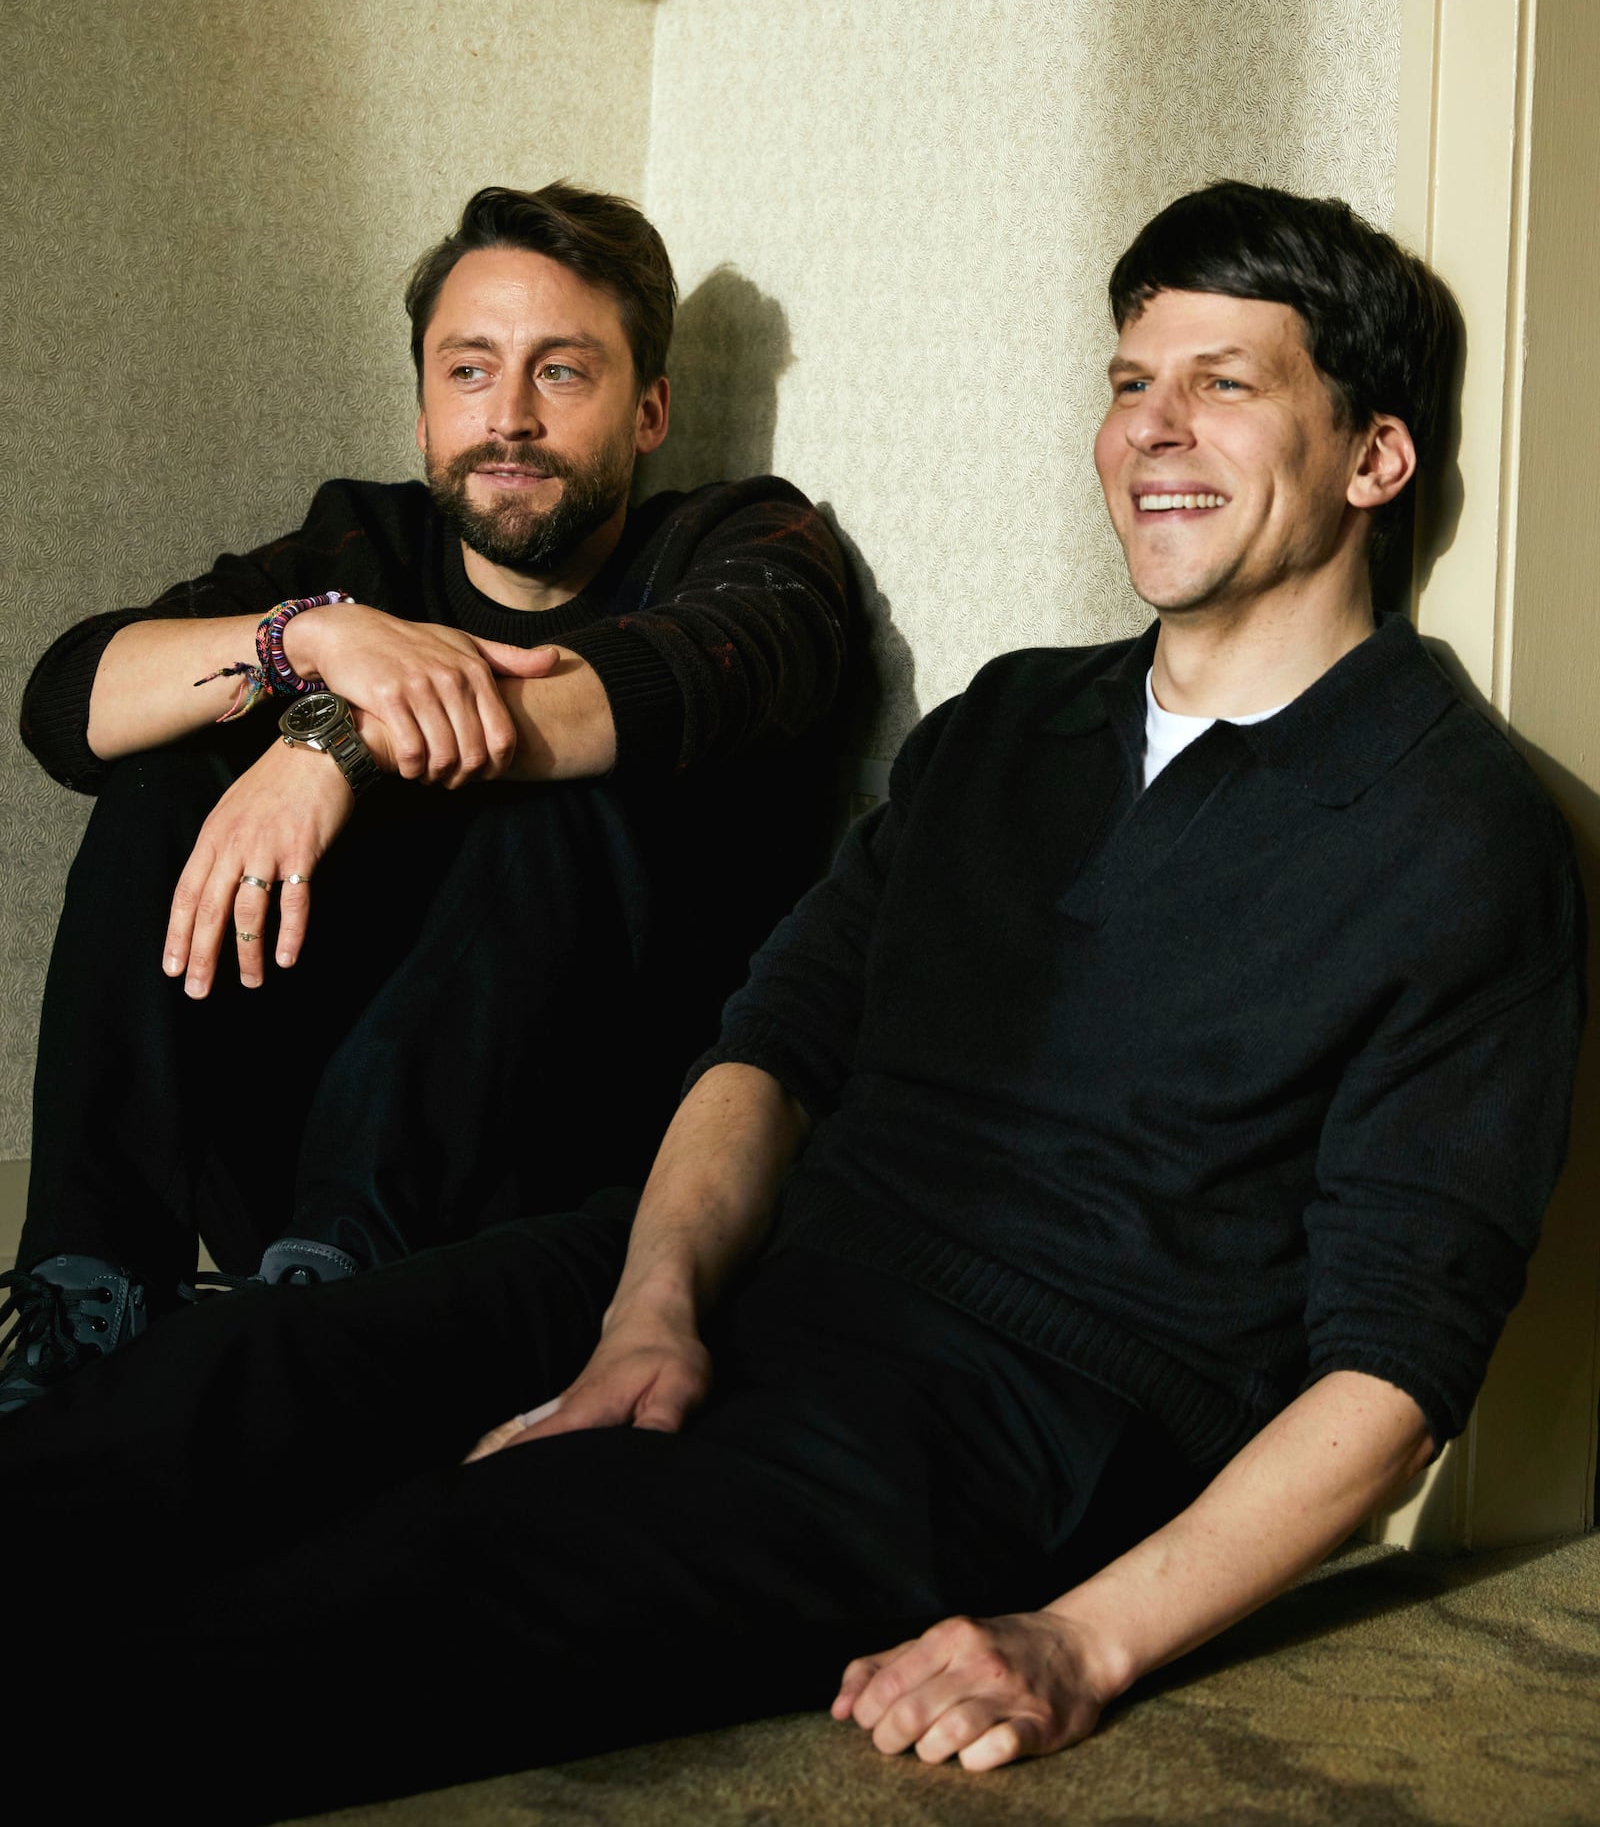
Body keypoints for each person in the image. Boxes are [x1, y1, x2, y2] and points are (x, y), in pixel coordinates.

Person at [0, 182, 1581, 1824]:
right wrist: (651, 1308)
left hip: (1003, 1410)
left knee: (349, 1609)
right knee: (224, 1394)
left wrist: (1077, 1643)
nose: (1152, 433)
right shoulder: (1010, 725)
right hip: (729, 1259)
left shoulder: (1455, 835)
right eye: (1129, 383)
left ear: (1375, 457)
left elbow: (1400, 1372)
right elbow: (776, 1042)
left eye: (1225, 383)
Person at [0, 181, 850, 1410]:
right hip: (300, 1167)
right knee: (177, 758)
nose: (506, 417)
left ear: (650, 407)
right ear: (420, 409)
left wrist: (326, 746)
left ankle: (339, 1328)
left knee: (563, 785)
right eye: (467, 371)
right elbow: (68, 703)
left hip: (570, 1160)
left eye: (561, 372)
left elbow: (665, 681)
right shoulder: (362, 550)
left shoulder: (739, 545)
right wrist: (307, 638)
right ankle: (91, 1289)